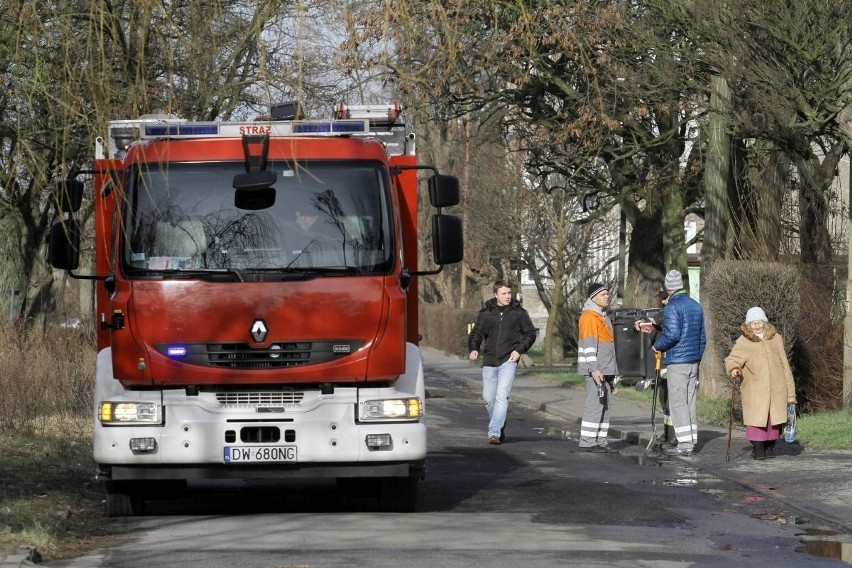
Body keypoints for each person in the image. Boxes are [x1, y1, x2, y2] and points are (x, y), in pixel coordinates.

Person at [468, 280, 537, 445]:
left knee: (501, 396)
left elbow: (530, 333)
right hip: (489, 360)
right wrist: (474, 348)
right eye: (504, 293)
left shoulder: (519, 313)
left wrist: (519, 350)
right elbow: (477, 333)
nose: (507, 296)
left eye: (509, 293)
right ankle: (499, 423)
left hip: (509, 360)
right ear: (495, 294)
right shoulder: (486, 313)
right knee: (488, 398)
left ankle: (494, 432)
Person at [724, 307, 797, 460]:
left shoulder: (776, 338)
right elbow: (732, 359)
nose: (756, 326)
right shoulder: (743, 341)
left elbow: (784, 364)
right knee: (757, 420)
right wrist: (734, 369)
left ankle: (770, 448)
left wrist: (790, 392)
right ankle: (758, 450)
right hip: (755, 388)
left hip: (776, 387)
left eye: (759, 322)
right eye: (752, 323)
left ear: (765, 322)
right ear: (748, 325)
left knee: (774, 419)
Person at [652, 270, 706, 457]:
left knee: (678, 402)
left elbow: (672, 335)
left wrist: (657, 345)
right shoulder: (695, 306)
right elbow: (702, 337)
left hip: (677, 360)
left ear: (668, 288)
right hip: (693, 361)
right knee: (690, 401)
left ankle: (684, 444)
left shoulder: (672, 307)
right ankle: (691, 440)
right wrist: (697, 357)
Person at [577, 282, 618, 452]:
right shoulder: (589, 317)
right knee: (594, 406)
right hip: (596, 371)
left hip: (605, 371)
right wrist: (594, 369)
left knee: (604, 407)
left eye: (608, 293)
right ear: (593, 298)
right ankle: (587, 441)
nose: (607, 296)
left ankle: (600, 440)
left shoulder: (603, 317)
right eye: (603, 294)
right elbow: (588, 346)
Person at [635, 289, 673, 446]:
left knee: (671, 400)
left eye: (665, 299)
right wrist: (641, 325)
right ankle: (667, 433)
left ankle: (673, 435)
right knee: (664, 398)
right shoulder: (663, 314)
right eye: (661, 299)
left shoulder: (673, 315)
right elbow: (653, 323)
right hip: (662, 362)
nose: (663, 302)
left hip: (671, 362)